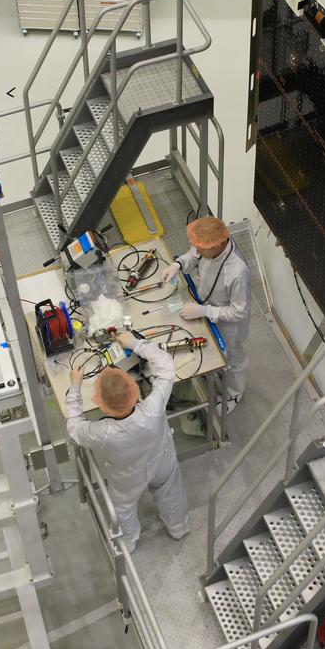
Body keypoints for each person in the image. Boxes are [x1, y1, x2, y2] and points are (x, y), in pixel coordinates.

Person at [67, 331, 189, 551]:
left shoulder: (101, 432)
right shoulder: (153, 407)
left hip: (127, 478)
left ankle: (128, 544)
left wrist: (75, 387)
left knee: (123, 509)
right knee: (171, 493)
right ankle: (178, 527)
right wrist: (135, 343)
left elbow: (74, 427)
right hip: (162, 461)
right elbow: (166, 366)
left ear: (102, 405)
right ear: (133, 390)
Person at [161, 216, 251, 413]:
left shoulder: (237, 272)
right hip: (207, 308)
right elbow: (193, 256)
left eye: (200, 247)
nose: (197, 249)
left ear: (217, 245)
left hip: (229, 325)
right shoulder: (208, 247)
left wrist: (204, 311)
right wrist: (177, 265)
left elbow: (239, 312)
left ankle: (235, 392)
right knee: (214, 353)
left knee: (232, 359)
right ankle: (216, 373)